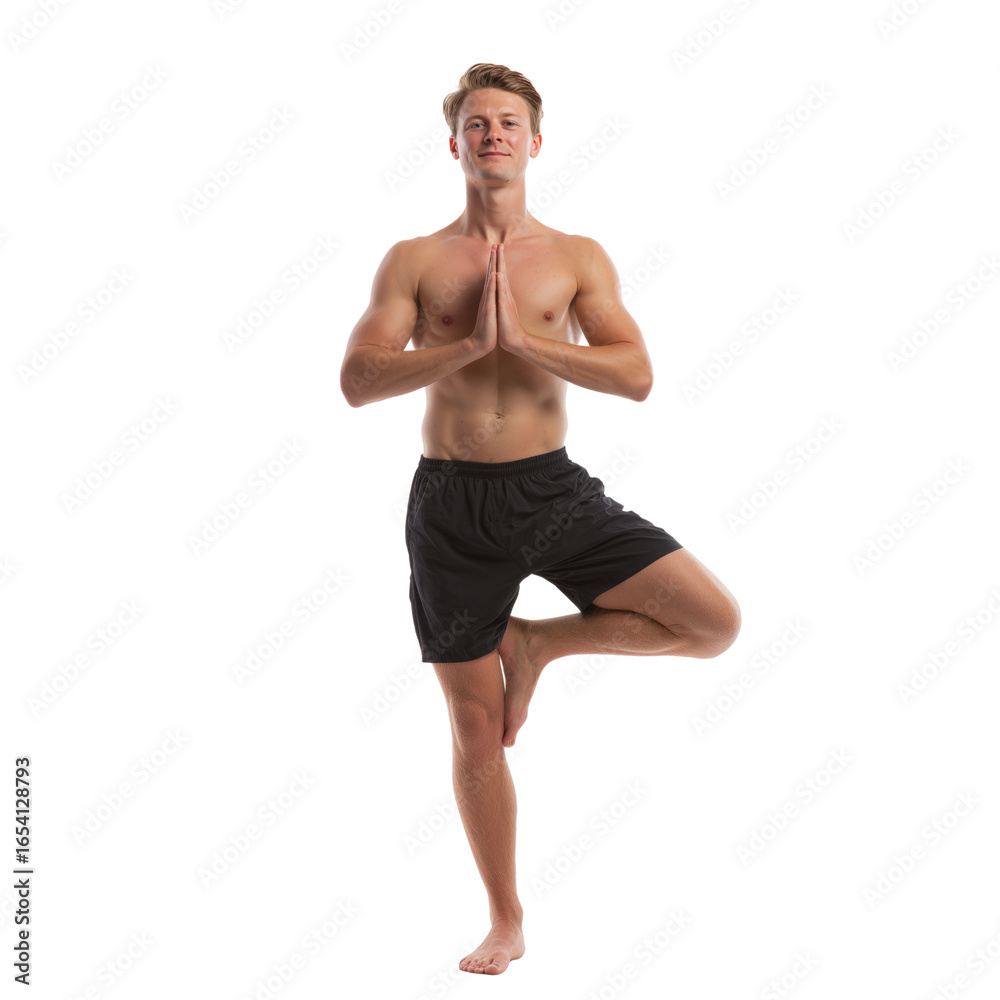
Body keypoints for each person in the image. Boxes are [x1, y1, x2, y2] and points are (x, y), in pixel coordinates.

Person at [341, 62, 741, 976]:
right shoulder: (413, 260)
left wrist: (525, 344)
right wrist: (465, 347)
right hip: (449, 506)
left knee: (712, 623)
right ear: (454, 144)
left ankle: (539, 643)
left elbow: (636, 374)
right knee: (475, 729)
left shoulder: (576, 256)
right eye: (477, 123)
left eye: (508, 122)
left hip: (550, 492)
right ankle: (506, 920)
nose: (493, 135)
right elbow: (358, 380)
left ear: (535, 141)